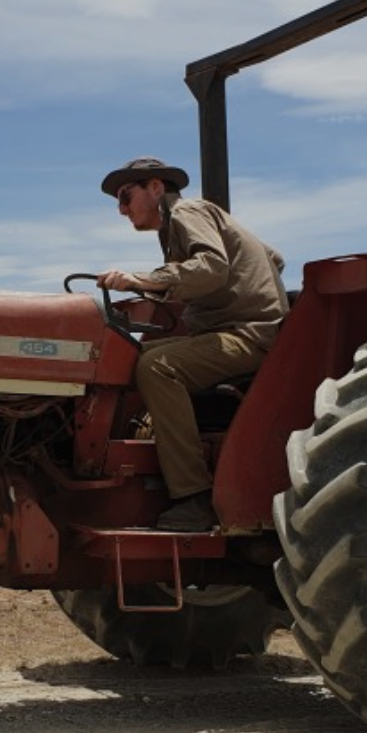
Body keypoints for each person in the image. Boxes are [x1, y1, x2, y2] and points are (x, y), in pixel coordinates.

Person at [97, 156, 290, 532]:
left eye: (125, 196)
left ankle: (193, 496)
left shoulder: (188, 211)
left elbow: (212, 267)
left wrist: (140, 280)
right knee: (129, 356)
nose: (121, 209)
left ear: (156, 187)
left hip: (248, 334)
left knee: (157, 367)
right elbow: (274, 259)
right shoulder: (182, 225)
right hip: (232, 330)